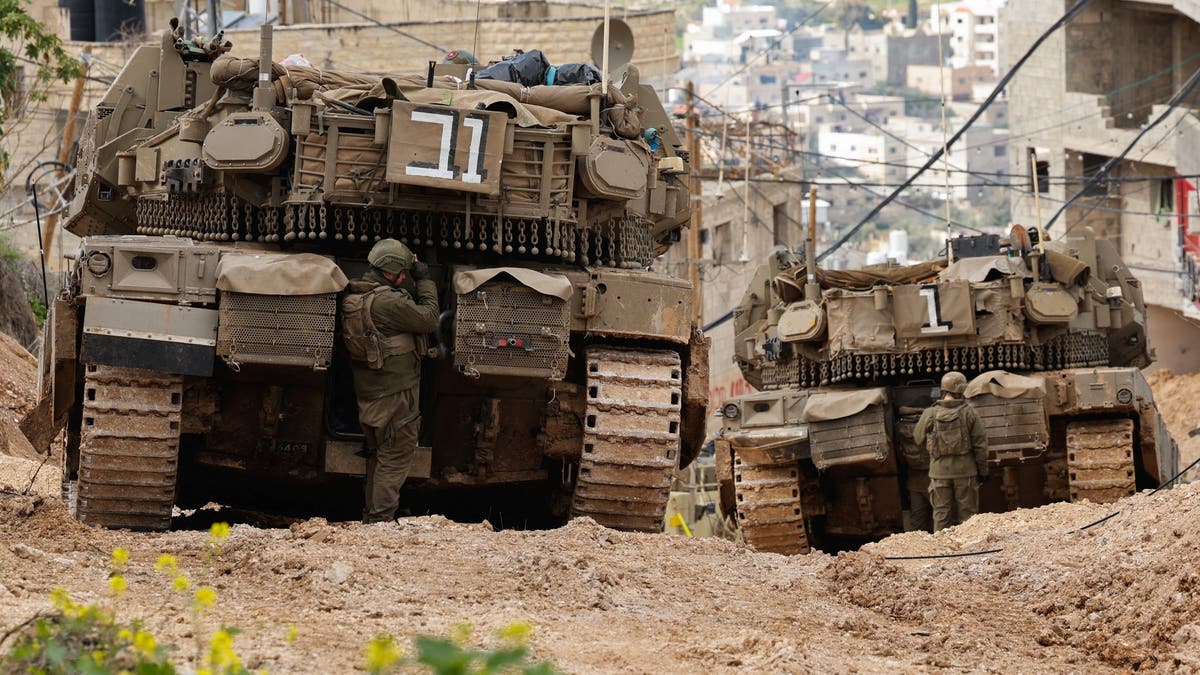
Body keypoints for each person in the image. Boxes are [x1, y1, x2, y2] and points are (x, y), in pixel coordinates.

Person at [341, 239, 439, 524]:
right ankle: (380, 522)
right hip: (396, 394)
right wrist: (425, 279)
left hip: (372, 392)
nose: (405, 276)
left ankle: (371, 517)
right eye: (403, 272)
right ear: (390, 272)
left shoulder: (356, 295)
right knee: (394, 457)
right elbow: (429, 318)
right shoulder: (389, 302)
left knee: (378, 456)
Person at [913, 371, 989, 532]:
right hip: (965, 472)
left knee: (941, 515)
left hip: (939, 473)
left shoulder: (930, 413)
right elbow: (980, 446)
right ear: (961, 390)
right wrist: (983, 471)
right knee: (968, 517)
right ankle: (970, 549)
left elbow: (917, 438)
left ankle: (943, 552)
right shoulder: (969, 412)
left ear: (944, 390)